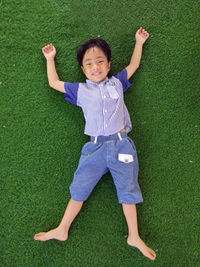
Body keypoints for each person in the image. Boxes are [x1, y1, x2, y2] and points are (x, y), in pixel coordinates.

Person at [34, 27, 156, 261]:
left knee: (128, 190)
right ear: (83, 70)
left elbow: (134, 66)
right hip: (95, 148)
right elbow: (53, 82)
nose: (95, 67)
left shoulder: (117, 83)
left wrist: (139, 43)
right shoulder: (81, 90)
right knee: (79, 188)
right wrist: (50, 59)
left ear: (109, 65)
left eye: (100, 61)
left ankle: (134, 236)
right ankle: (62, 229)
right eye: (89, 64)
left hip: (122, 146)